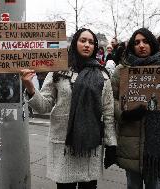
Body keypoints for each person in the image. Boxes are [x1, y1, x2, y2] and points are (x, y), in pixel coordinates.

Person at [21, 28, 117, 189]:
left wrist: (111, 143)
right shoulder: (58, 71)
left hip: (90, 147)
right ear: (74, 43)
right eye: (83, 40)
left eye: (91, 42)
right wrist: (30, 87)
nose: (87, 45)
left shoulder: (103, 75)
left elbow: (107, 112)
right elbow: (44, 106)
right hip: (64, 145)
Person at [111, 28, 160, 189]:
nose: (141, 45)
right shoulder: (122, 70)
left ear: (152, 44)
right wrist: (125, 114)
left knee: (154, 185)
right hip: (130, 141)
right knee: (132, 185)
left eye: (145, 41)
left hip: (157, 142)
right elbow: (110, 99)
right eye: (136, 42)